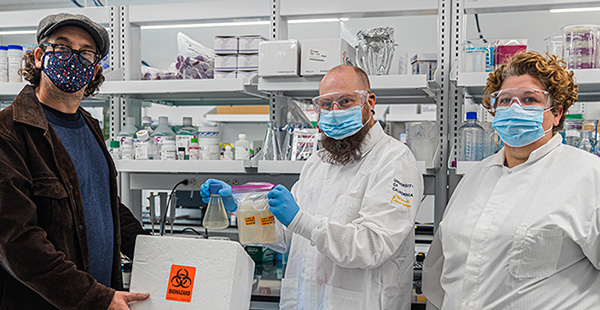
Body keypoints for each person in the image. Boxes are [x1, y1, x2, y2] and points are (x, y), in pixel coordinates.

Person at [201, 65, 423, 309]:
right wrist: (241, 208)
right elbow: (286, 235)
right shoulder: (318, 161)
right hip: (306, 300)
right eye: (326, 104)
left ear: (369, 102)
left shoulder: (394, 159)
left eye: (345, 101)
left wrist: (300, 220)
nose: (335, 111)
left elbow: (372, 245)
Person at [423, 51, 600, 309]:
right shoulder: (474, 177)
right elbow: (439, 273)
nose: (514, 108)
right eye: (505, 101)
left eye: (529, 99)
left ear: (557, 113)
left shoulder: (589, 176)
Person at [0, 13, 150, 310]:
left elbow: (104, 204)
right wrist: (94, 297)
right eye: (63, 47)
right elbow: (16, 241)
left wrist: (162, 251)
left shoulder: (89, 126)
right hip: (43, 303)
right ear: (41, 56)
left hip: (100, 297)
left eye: (85, 53)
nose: (73, 58)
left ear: (94, 70)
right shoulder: (10, 131)